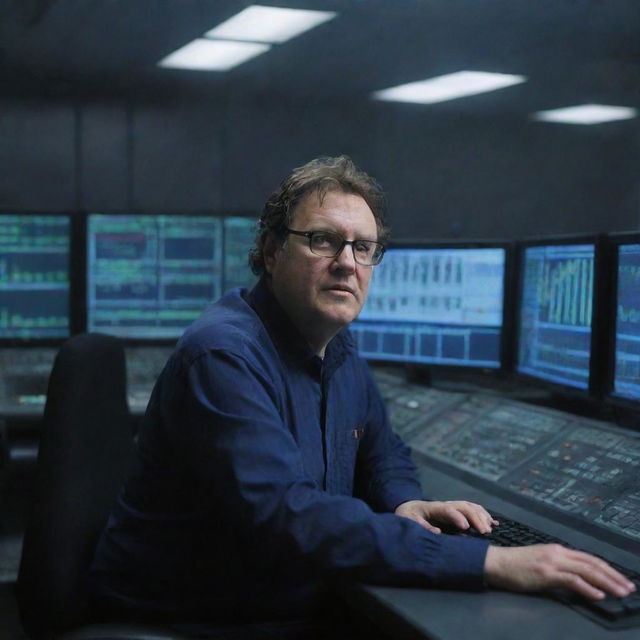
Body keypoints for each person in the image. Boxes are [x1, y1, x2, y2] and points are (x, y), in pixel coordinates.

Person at [89, 155, 634, 637]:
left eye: (364, 247)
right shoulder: (223, 355)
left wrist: (403, 501)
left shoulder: (337, 346)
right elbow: (290, 516)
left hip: (279, 605)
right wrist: (491, 563)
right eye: (323, 239)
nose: (347, 262)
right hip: (197, 619)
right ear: (272, 250)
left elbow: (382, 449)